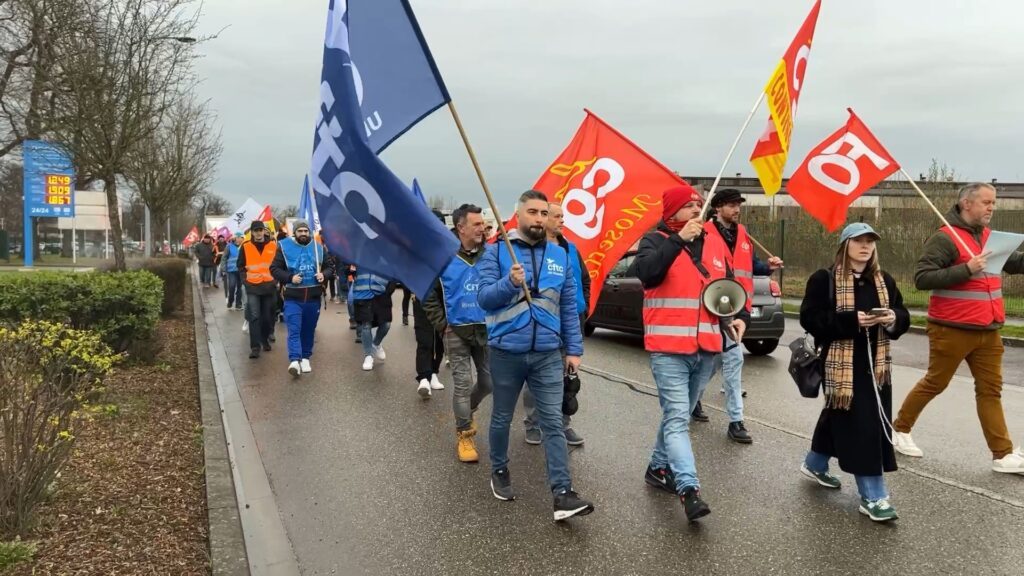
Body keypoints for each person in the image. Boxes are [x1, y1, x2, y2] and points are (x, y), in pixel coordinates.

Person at [634, 184, 748, 522]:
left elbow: (727, 288)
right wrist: (678, 239)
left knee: (676, 415)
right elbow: (648, 274)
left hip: (707, 348)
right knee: (678, 418)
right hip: (668, 349)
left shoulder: (714, 243)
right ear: (672, 213)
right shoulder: (655, 241)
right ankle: (689, 489)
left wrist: (738, 317)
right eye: (690, 205)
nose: (698, 208)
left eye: (699, 203)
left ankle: (657, 468)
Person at [478, 189, 594, 522]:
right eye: (533, 212)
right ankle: (499, 469)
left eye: (544, 213)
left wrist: (574, 349)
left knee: (552, 423)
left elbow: (569, 306)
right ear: (519, 215)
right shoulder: (497, 252)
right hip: (506, 352)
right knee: (501, 417)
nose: (540, 219)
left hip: (547, 353)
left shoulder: (560, 255)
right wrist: (509, 284)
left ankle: (563, 493)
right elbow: (485, 299)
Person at [892, 182, 1024, 473]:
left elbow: (1014, 263)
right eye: (986, 202)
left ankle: (1002, 455)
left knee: (991, 391)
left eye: (993, 203)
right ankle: (899, 430)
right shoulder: (945, 238)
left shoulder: (989, 237)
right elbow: (922, 278)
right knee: (935, 382)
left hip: (989, 329)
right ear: (967, 204)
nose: (992, 208)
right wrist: (967, 269)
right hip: (951, 328)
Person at [799, 223, 910, 522]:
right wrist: (851, 321)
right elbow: (810, 318)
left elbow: (902, 315)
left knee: (839, 415)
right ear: (845, 245)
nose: (865, 247)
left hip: (877, 365)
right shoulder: (825, 278)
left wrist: (891, 318)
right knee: (863, 427)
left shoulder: (883, 279)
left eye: (870, 242)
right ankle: (874, 497)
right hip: (842, 363)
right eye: (858, 241)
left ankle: (815, 463)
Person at [696, 188, 784, 444]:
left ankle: (736, 421)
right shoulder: (703, 232)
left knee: (732, 361)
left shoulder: (743, 233)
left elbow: (750, 265)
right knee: (710, 362)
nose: (737, 209)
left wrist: (768, 266)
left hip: (738, 306)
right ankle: (692, 402)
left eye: (738, 205)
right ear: (718, 207)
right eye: (732, 205)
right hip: (712, 306)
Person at [423, 203, 493, 462]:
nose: (482, 228)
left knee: (488, 382)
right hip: (455, 329)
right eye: (476, 224)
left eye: (483, 223)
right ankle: (465, 434)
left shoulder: (491, 254)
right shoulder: (442, 257)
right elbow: (427, 295)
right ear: (460, 227)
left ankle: (468, 409)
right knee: (462, 385)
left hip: (485, 330)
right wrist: (442, 324)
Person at [522, 202, 590, 447]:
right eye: (557, 216)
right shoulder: (533, 250)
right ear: (543, 219)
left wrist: (584, 306)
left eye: (563, 216)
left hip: (571, 321)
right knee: (536, 376)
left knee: (567, 376)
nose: (562, 220)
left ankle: (564, 424)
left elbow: (584, 279)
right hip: (543, 323)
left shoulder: (571, 248)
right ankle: (533, 423)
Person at [270, 220, 334, 377]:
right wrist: (290, 277)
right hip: (293, 298)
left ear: (309, 232)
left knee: (308, 330)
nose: (304, 234)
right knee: (294, 329)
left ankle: (305, 358)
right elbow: (274, 269)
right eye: (300, 231)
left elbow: (330, 267)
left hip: (313, 298)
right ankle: (294, 360)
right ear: (295, 232)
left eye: (306, 231)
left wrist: (323, 275)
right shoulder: (284, 246)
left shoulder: (318, 248)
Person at [236, 221, 278, 359]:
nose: (258, 232)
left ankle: (264, 339)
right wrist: (245, 281)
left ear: (264, 231)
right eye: (256, 230)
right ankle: (255, 347)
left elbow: (278, 265)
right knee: (254, 316)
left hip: (268, 286)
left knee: (267, 317)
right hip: (252, 286)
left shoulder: (273, 245)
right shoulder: (245, 246)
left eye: (260, 230)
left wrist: (275, 281)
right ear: (252, 232)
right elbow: (241, 266)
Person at [351, 270, 394, 371]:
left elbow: (393, 273)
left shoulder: (385, 255)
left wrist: (388, 291)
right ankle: (368, 355)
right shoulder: (357, 255)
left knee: (386, 324)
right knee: (366, 325)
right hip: (363, 294)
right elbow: (346, 271)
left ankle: (376, 344)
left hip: (382, 294)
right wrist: (350, 269)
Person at [224, 233, 244, 310]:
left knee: (240, 288)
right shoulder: (229, 246)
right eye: (238, 237)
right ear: (235, 238)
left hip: (241, 270)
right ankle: (230, 301)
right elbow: (224, 258)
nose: (239, 239)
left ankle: (238, 304)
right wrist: (223, 269)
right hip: (231, 270)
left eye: (241, 237)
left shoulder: (244, 246)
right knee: (232, 286)